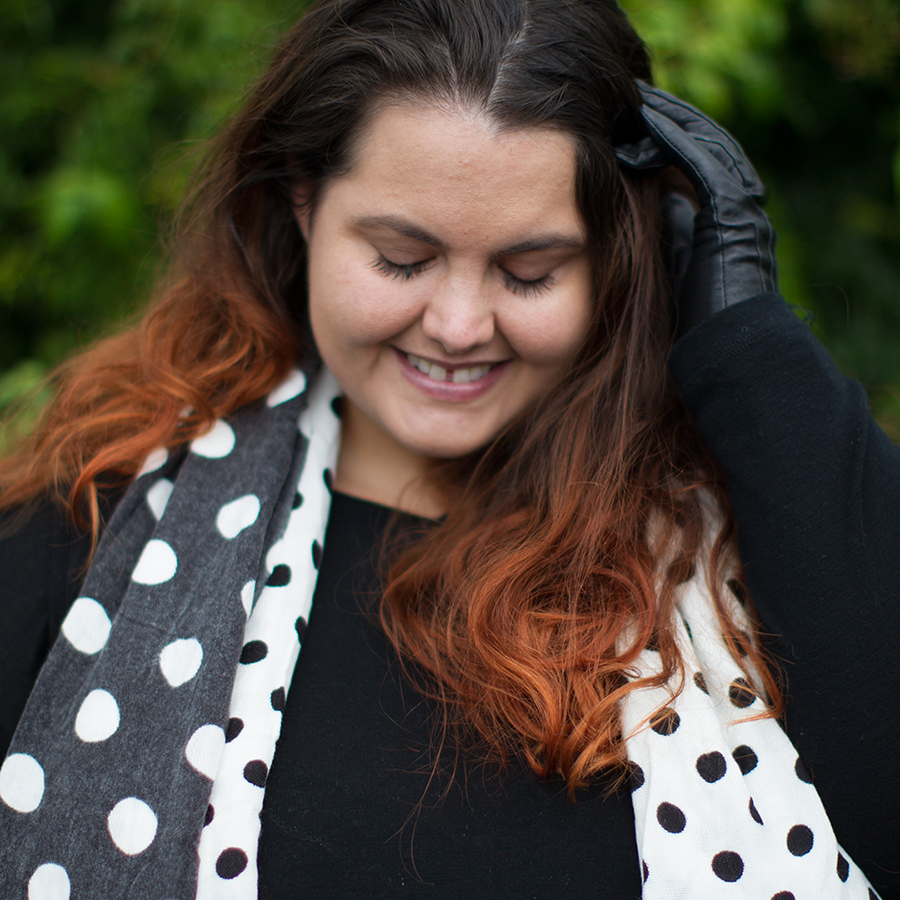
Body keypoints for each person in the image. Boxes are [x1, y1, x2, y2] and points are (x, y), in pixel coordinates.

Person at [0, 1, 896, 898]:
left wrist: (750, 349)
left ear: (614, 260)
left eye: (530, 271)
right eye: (401, 258)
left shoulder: (757, 536)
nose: (459, 327)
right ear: (303, 202)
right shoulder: (96, 524)